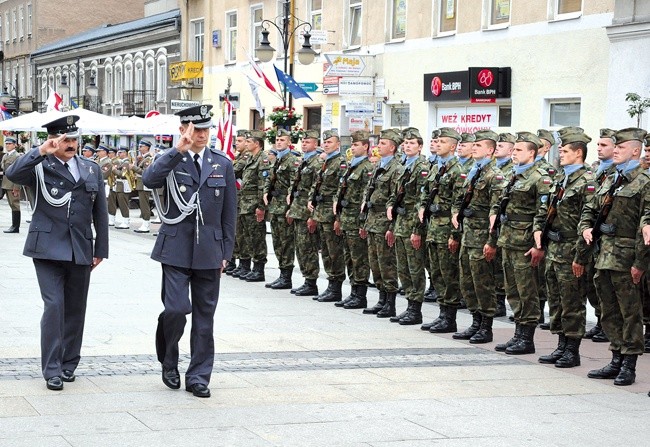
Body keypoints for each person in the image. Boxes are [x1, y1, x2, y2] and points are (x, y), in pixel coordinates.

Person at [6, 115, 108, 391]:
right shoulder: (40, 165)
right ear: (53, 140)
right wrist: (40, 151)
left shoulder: (91, 168)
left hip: (80, 247)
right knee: (54, 306)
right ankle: (51, 368)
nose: (72, 144)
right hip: (47, 248)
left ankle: (68, 363)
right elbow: (12, 174)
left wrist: (101, 249)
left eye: (74, 139)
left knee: (76, 309)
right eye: (66, 140)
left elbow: (100, 211)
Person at [143, 105, 236, 398]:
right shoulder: (171, 160)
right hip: (176, 247)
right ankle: (169, 360)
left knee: (205, 317)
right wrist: (176, 151)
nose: (203, 134)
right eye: (197, 129)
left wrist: (226, 252)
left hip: (209, 249)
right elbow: (149, 180)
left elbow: (229, 213)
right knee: (176, 309)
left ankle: (198, 376)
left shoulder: (222, 162)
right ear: (184, 129)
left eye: (206, 129)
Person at [580, 127, 650, 386]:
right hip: (604, 256)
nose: (615, 151)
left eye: (620, 147)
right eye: (615, 147)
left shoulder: (644, 181)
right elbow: (590, 208)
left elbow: (646, 224)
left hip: (627, 258)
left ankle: (629, 364)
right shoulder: (611, 179)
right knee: (608, 310)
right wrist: (586, 227)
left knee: (630, 312)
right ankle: (616, 357)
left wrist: (640, 263)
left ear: (635, 150)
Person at [537, 127, 596, 368]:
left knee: (573, 301)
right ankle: (561, 345)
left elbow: (588, 220)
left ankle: (572, 350)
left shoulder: (587, 181)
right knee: (557, 301)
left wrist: (580, 256)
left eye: (565, 150)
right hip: (554, 248)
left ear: (578, 152)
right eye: (560, 149)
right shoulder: (562, 178)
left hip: (572, 248)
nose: (560, 154)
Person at [492, 131, 550, 355]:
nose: (514, 153)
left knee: (528, 291)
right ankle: (518, 334)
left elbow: (543, 213)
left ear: (532, 153)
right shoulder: (514, 175)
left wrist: (538, 245)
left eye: (518, 150)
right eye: (513, 149)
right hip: (508, 239)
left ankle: (527, 338)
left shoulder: (540, 177)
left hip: (525, 242)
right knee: (513, 291)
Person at [452, 130, 504, 343]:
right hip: (467, 235)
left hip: (482, 237)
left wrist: (491, 242)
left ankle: (486, 326)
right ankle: (475, 321)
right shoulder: (473, 171)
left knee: (483, 283)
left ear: (490, 150)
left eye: (479, 146)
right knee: (467, 282)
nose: (474, 148)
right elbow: (459, 201)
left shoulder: (494, 175)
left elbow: (497, 211)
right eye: (473, 145)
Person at [419, 127, 464, 332]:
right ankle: (442, 314)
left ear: (453, 146)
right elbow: (425, 193)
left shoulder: (458, 171)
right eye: (436, 141)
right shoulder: (437, 168)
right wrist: (422, 208)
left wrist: (455, 235)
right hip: (433, 228)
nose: (437, 144)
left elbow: (458, 205)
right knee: (437, 273)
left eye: (443, 141)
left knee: (449, 275)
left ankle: (450, 318)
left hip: (446, 229)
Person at [361, 129, 404, 317]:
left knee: (387, 264)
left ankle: (390, 302)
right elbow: (368, 192)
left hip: (384, 222)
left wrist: (391, 227)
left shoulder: (397, 168)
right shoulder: (379, 164)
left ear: (393, 147)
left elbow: (395, 199)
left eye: (383, 143)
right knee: (375, 263)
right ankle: (381, 299)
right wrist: (364, 222)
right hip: (372, 221)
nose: (379, 146)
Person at [388, 128, 428, 324]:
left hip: (412, 222)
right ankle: (410, 304)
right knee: (402, 267)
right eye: (405, 143)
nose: (407, 146)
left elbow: (422, 200)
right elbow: (395, 194)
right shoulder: (401, 165)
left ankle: (416, 308)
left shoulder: (423, 167)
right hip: (400, 222)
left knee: (414, 267)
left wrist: (416, 230)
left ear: (420, 147)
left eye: (412, 143)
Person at [584, 128, 617, 343]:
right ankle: (599, 321)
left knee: (606, 285)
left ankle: (607, 325)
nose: (598, 148)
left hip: (609, 239)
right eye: (598, 145)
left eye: (604, 145)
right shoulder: (596, 170)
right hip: (592, 237)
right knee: (593, 284)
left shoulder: (617, 172)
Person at [334, 130, 373, 308]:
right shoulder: (352, 165)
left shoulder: (367, 168)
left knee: (359, 258)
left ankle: (360, 294)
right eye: (352, 144)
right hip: (346, 218)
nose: (353, 147)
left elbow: (366, 197)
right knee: (349, 257)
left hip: (357, 219)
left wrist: (363, 222)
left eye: (356, 145)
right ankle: (353, 291)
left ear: (365, 146)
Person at [308, 130, 346, 302]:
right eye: (325, 142)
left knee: (335, 252)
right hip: (321, 212)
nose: (326, 144)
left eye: (330, 142)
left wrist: (338, 218)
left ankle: (336, 286)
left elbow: (342, 191)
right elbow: (316, 185)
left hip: (331, 214)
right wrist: (312, 203)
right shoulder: (325, 162)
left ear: (338, 144)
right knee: (326, 251)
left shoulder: (340, 163)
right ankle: (331, 284)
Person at [264, 128, 298, 289]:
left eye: (282, 140)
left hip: (284, 206)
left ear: (289, 143)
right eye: (277, 140)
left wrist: (290, 207)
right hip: (275, 205)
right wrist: (266, 193)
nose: (279, 142)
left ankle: (287, 276)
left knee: (286, 242)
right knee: (277, 241)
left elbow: (294, 184)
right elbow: (270, 180)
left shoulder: (292, 160)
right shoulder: (276, 160)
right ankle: (282, 273)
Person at [235, 130, 270, 281]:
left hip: (254, 204)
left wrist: (261, 207)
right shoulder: (250, 158)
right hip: (245, 204)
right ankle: (247, 266)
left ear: (257, 144)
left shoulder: (263, 159)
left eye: (249, 142)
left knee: (257, 238)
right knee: (247, 237)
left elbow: (263, 186)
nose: (246, 144)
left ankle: (259, 269)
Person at [225, 129, 250, 274]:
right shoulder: (239, 157)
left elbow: (232, 172)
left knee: (242, 234)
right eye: (237, 141)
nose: (236, 144)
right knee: (235, 232)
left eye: (240, 141)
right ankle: (234, 260)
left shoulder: (245, 158)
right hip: (237, 199)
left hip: (243, 200)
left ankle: (242, 263)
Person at [132, 139, 154, 233]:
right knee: (143, 203)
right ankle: (145, 223)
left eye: (141, 146)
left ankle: (146, 224)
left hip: (144, 183)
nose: (139, 148)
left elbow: (145, 172)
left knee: (144, 204)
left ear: (147, 148)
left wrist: (133, 167)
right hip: (141, 184)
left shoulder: (148, 159)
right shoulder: (143, 158)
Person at [1, 136, 22, 233]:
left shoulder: (17, 156)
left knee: (15, 205)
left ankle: (15, 226)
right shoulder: (6, 156)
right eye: (7, 144)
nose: (8, 145)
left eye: (10, 144)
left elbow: (19, 172)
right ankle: (13, 226)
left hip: (12, 184)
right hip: (5, 183)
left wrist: (16, 187)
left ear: (14, 145)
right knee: (11, 204)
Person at [111, 147, 132, 229]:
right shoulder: (122, 162)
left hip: (123, 185)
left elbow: (123, 175)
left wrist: (114, 170)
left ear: (125, 153)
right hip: (119, 185)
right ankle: (124, 220)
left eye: (120, 152)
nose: (119, 154)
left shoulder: (126, 163)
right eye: (119, 152)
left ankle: (126, 221)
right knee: (121, 203)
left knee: (123, 204)